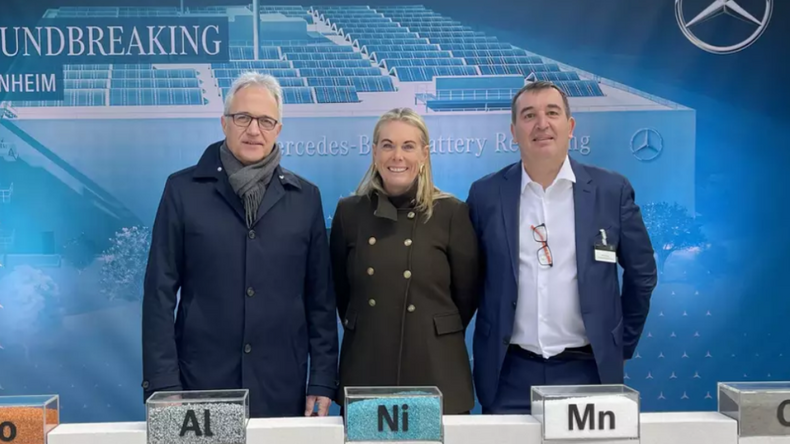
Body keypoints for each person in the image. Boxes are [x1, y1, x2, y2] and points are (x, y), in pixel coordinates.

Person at [141, 72, 338, 418]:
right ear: (224, 123)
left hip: (282, 386)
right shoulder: (182, 191)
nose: (254, 130)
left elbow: (320, 300)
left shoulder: (306, 198)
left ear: (278, 129)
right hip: (200, 384)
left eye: (265, 121)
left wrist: (321, 380)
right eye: (243, 117)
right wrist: (164, 384)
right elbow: (159, 293)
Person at [467, 81, 657, 414]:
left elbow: (642, 274)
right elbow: (468, 279)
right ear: (513, 132)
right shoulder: (485, 195)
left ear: (570, 127)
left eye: (552, 113)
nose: (541, 124)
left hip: (590, 371)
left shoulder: (611, 191)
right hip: (507, 374)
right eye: (529, 116)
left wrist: (619, 344)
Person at [330, 108, 479, 414]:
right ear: (374, 152)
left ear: (424, 154)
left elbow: (466, 296)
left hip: (434, 367)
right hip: (368, 366)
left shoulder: (451, 213)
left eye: (408, 146)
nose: (397, 156)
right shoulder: (349, 213)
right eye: (388, 145)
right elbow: (343, 294)